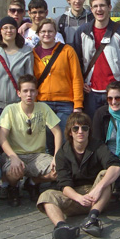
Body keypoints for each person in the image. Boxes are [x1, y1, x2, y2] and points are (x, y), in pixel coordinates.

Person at [37, 113, 120, 239]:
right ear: (70, 132)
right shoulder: (63, 152)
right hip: (73, 197)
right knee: (46, 196)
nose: (80, 132)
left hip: (97, 198)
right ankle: (61, 226)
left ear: (89, 130)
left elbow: (117, 166)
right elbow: (64, 184)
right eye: (75, 129)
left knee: (106, 174)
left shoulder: (98, 146)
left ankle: (92, 219)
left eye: (85, 128)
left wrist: (98, 189)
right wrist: (79, 198)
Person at [0, 75, 62, 206]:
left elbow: (57, 132)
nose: (29, 94)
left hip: (38, 156)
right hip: (16, 154)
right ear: (19, 93)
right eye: (25, 91)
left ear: (37, 92)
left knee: (58, 171)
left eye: (32, 91)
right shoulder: (10, 110)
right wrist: (13, 157)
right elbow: (2, 138)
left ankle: (33, 182)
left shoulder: (43, 108)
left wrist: (56, 156)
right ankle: (13, 187)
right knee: (14, 170)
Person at [72, 0, 120, 118]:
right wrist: (81, 81)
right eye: (95, 6)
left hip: (115, 92)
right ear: (91, 9)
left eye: (102, 6)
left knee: (117, 130)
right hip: (91, 93)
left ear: (109, 7)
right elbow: (75, 61)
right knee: (94, 132)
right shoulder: (82, 32)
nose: (99, 9)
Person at [0, 17, 34, 150]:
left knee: (18, 145)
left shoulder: (26, 52)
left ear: (17, 30)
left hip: (18, 106)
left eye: (12, 27)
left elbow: (29, 82)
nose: (8, 31)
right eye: (5, 28)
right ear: (0, 31)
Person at [33, 18, 83, 153]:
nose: (46, 34)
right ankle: (50, 171)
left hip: (65, 103)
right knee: (46, 142)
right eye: (43, 31)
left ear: (55, 33)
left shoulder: (67, 50)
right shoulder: (33, 53)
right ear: (38, 33)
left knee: (65, 141)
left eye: (50, 31)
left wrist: (78, 105)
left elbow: (77, 78)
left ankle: (64, 169)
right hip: (43, 102)